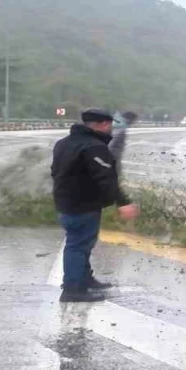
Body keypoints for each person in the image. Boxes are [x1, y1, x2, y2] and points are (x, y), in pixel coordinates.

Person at [51, 108, 139, 302]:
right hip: (82, 204)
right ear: (104, 124)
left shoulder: (63, 143)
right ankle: (73, 290)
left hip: (66, 202)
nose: (111, 130)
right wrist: (123, 203)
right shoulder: (94, 147)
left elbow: (55, 172)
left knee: (82, 243)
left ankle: (84, 280)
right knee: (78, 245)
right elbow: (106, 178)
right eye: (110, 125)